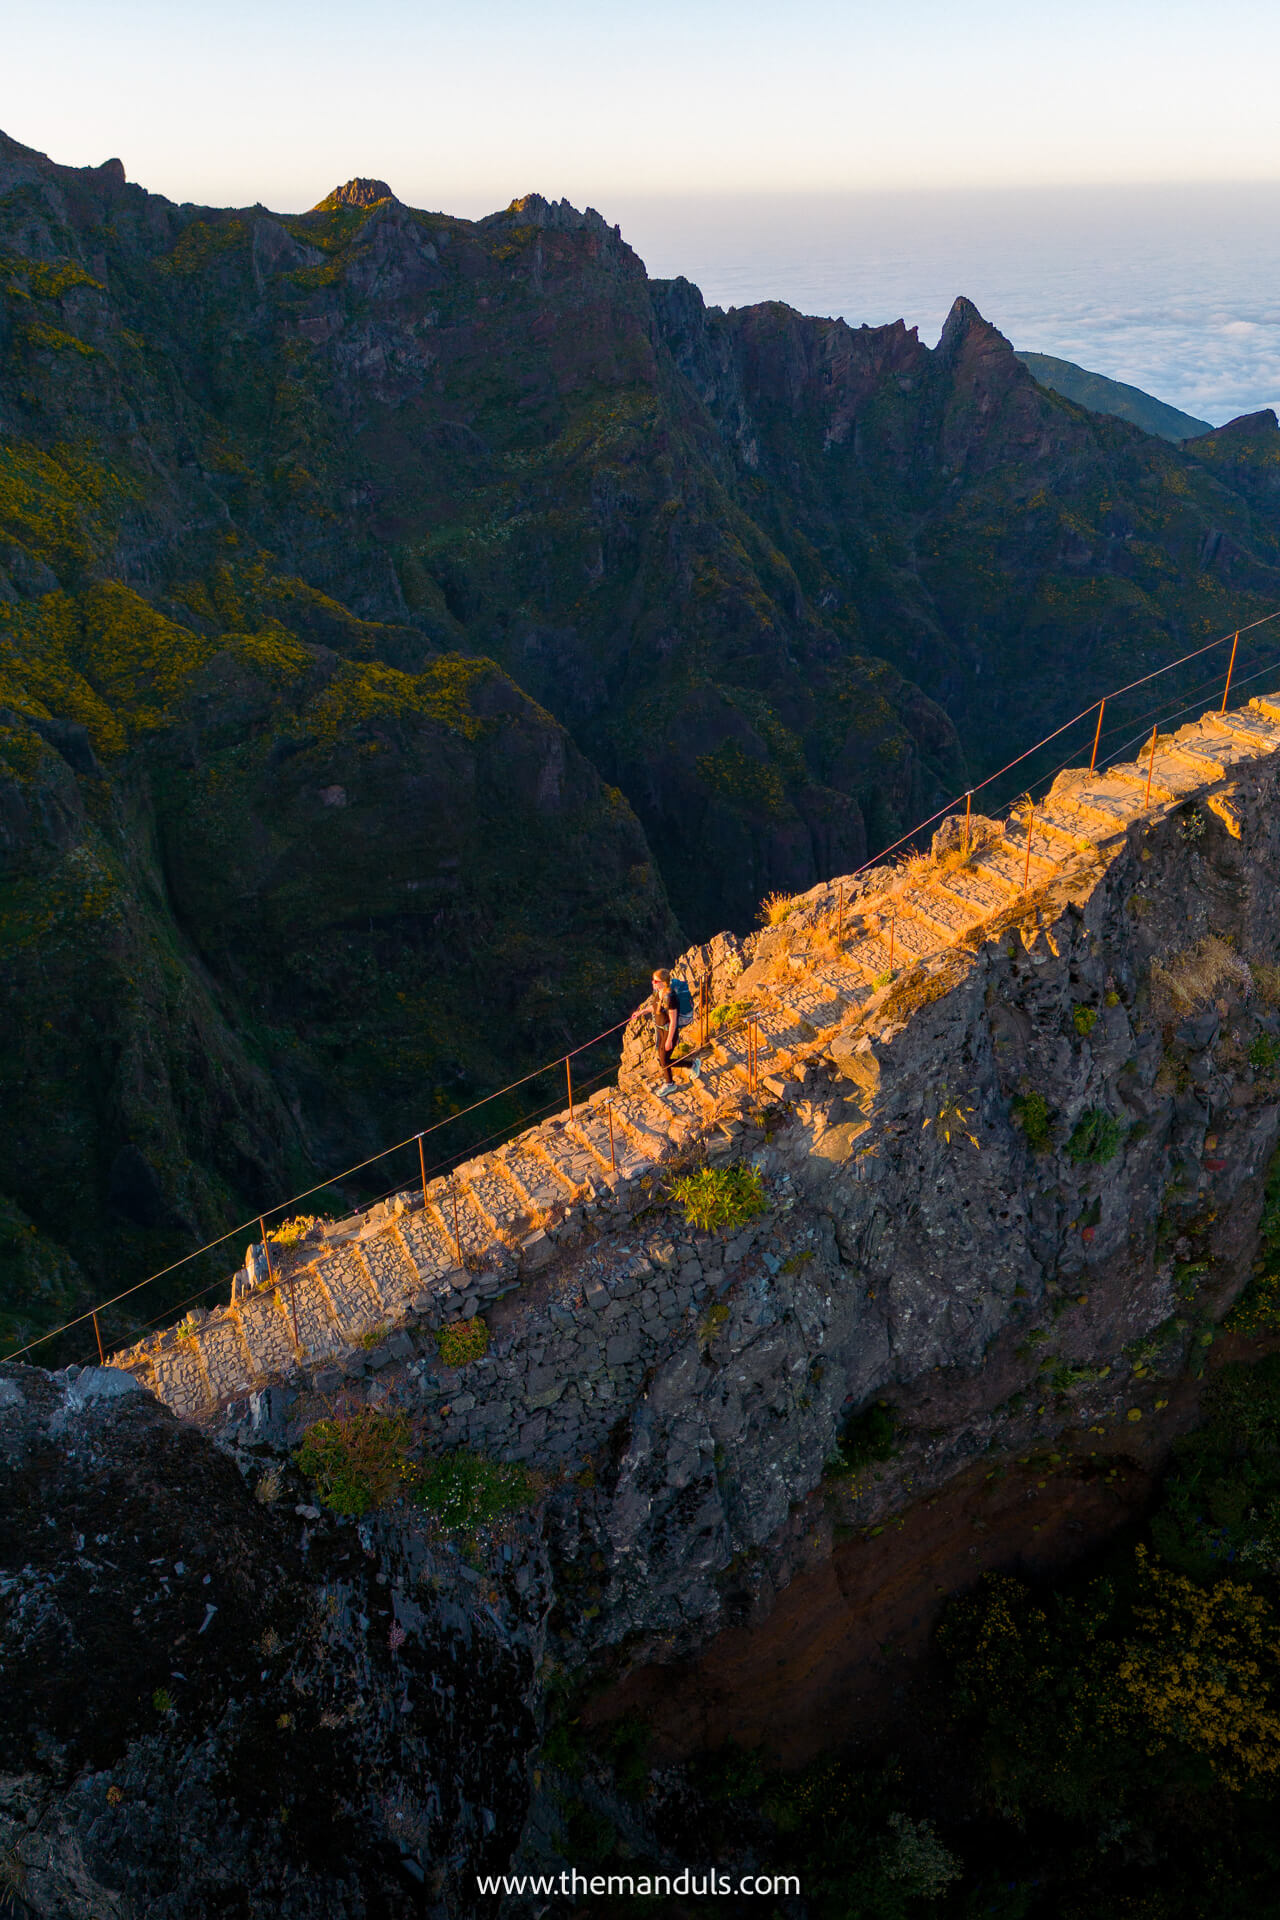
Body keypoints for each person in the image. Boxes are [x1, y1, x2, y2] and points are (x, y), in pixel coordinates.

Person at [649, 967, 684, 1092]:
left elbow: (674, 1021)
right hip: (660, 1030)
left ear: (663, 982)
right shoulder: (658, 993)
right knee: (663, 1059)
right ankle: (692, 1064)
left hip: (668, 1031)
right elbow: (654, 1007)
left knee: (664, 1059)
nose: (653, 983)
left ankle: (670, 1084)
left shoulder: (670, 997)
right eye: (653, 980)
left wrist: (669, 1040)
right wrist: (642, 1011)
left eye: (656, 981)